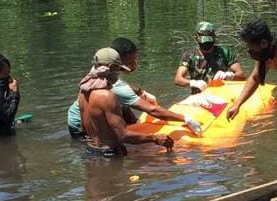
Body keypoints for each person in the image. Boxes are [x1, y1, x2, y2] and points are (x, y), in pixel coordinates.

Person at [68, 37, 202, 138]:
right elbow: (153, 110)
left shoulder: (100, 67)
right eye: (130, 61)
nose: (134, 64)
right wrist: (185, 119)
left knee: (127, 118)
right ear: (117, 61)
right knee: (101, 143)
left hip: (87, 110)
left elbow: (119, 87)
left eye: (135, 59)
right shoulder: (115, 84)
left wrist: (140, 91)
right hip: (81, 123)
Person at [77, 47, 175, 157]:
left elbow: (84, 128)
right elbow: (123, 136)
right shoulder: (107, 96)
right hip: (109, 154)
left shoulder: (83, 91)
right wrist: (154, 138)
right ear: (111, 67)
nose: (119, 73)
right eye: (118, 69)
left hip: (91, 153)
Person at [174, 21, 244, 93]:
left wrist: (229, 75)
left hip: (222, 94)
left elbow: (241, 75)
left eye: (209, 42)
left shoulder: (224, 52)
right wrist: (193, 83)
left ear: (214, 37)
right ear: (196, 38)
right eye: (204, 42)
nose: (206, 44)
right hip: (200, 96)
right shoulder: (189, 56)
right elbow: (178, 79)